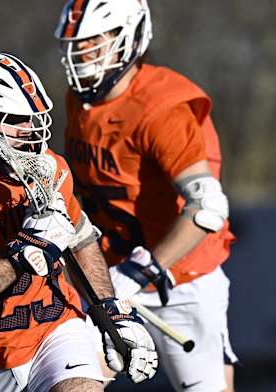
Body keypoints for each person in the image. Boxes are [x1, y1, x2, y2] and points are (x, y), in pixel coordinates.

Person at [0, 52, 158, 392]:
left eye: (31, 118)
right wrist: (27, 249)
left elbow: (80, 241)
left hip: (54, 330)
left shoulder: (50, 167)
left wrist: (111, 311)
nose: (29, 131)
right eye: (12, 119)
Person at [55, 1, 238, 391]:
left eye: (94, 42)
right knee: (71, 381)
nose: (81, 55)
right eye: (76, 44)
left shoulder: (161, 109)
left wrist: (140, 271)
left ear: (130, 37)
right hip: (105, 276)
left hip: (180, 278)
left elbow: (208, 207)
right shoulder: (79, 100)